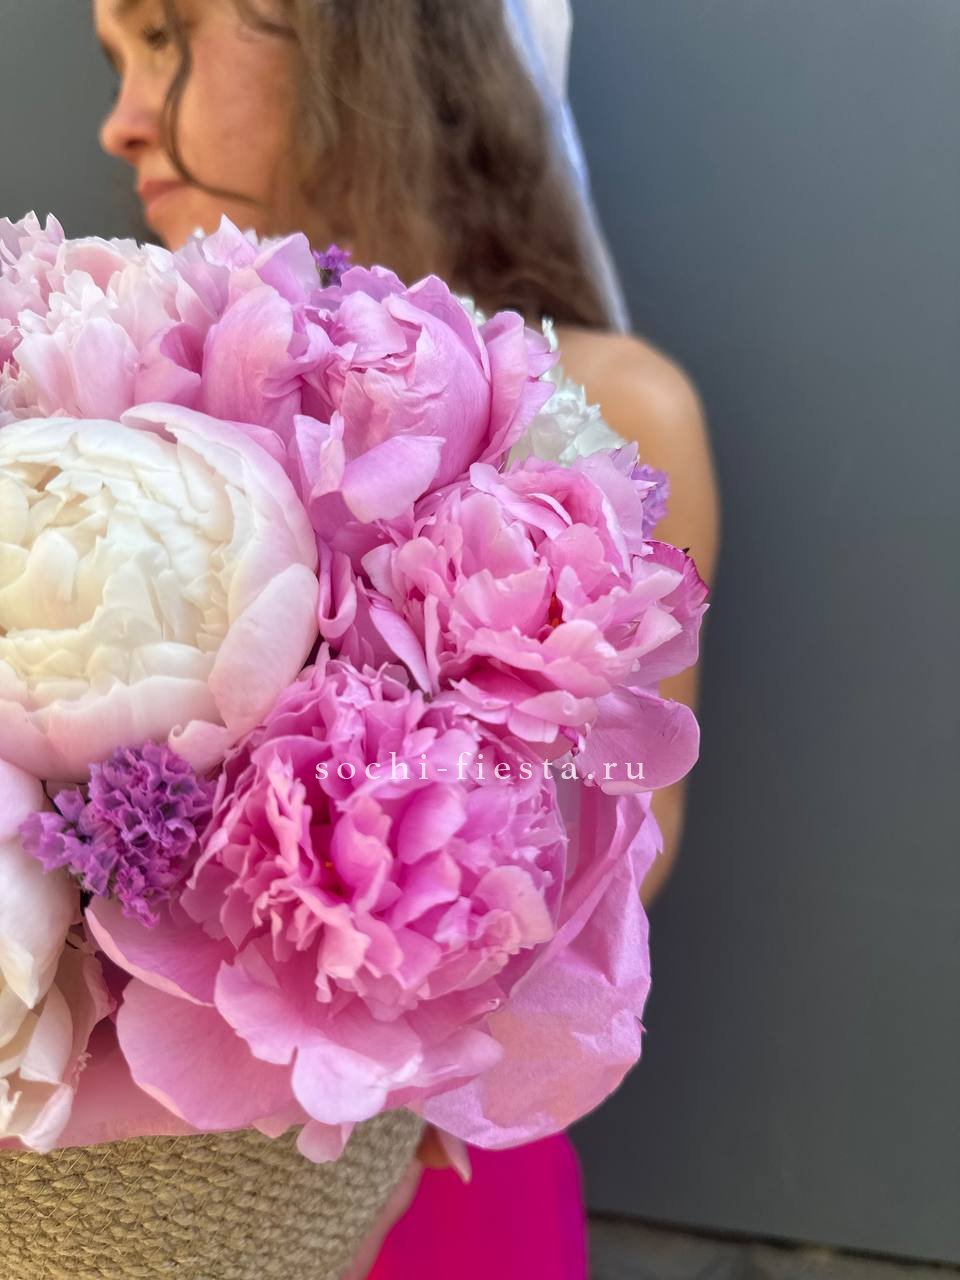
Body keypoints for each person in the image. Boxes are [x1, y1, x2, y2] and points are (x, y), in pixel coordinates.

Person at [91, 2, 722, 1275]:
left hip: (436, 1158)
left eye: (165, 34)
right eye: (116, 61)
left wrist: (398, 857)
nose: (119, 121)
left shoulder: (608, 409)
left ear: (357, 41)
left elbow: (630, 826)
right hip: (133, 1187)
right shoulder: (109, 411)